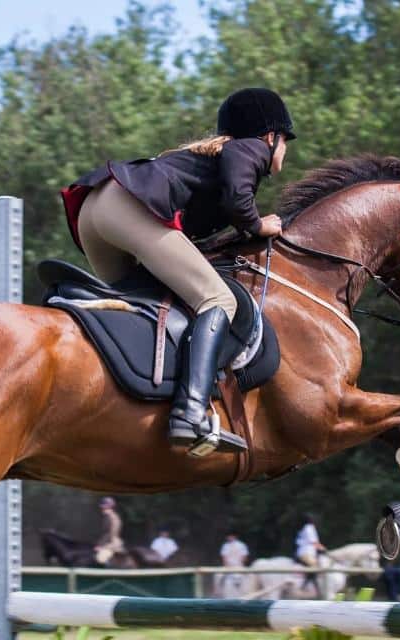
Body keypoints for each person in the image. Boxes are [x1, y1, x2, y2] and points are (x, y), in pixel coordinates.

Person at [63, 87, 295, 452]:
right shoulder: (249, 148)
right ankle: (190, 412)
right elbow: (238, 199)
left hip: (95, 212)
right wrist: (258, 225)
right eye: (285, 141)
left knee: (149, 304)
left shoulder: (209, 158)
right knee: (219, 298)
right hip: (127, 209)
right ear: (270, 136)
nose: (285, 150)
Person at [295, 513, 326, 596]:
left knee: (315, 567)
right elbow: (314, 542)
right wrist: (323, 549)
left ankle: (310, 586)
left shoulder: (305, 528)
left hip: (308, 552)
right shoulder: (309, 528)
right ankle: (305, 587)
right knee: (315, 567)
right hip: (305, 553)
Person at [94, 497, 125, 565]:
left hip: (112, 544)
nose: (102, 509)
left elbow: (110, 534)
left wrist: (101, 546)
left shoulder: (112, 518)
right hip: (107, 542)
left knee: (100, 559)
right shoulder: (107, 517)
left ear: (110, 507)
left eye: (104, 507)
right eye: (102, 507)